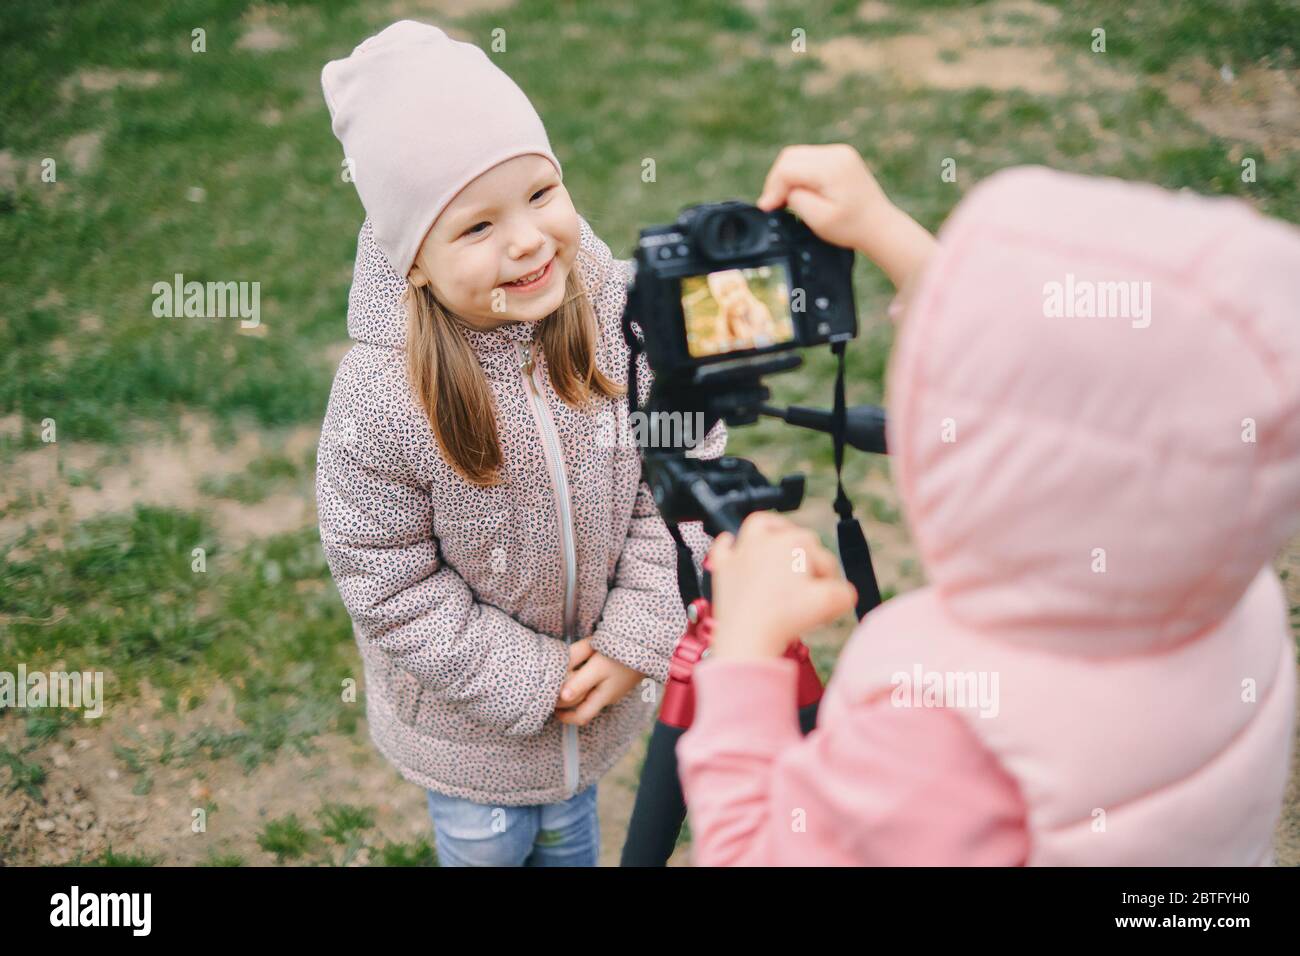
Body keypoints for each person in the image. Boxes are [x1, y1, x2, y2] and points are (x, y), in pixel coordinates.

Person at [677, 144, 1300, 865]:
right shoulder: (1231, 595)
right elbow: (1076, 383)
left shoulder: (943, 728)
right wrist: (883, 228)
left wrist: (745, 658)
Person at [315, 20, 724, 866]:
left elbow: (680, 479)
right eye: (476, 227)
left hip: (595, 704)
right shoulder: (384, 398)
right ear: (412, 262)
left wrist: (631, 638)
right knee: (491, 849)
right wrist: (533, 681)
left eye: (541, 194)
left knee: (573, 839)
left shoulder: (623, 324)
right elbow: (384, 577)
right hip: (476, 737)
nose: (529, 239)